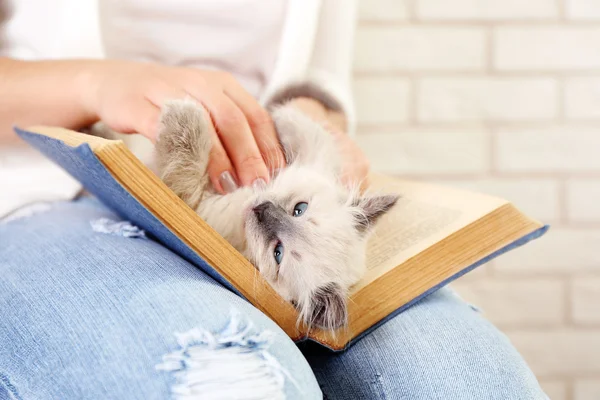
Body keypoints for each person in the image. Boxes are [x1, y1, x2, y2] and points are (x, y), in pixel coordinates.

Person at [0, 1, 549, 399]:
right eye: (298, 218)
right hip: (62, 185)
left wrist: (317, 121)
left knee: (469, 379)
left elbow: (317, 75)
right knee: (236, 377)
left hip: (258, 168)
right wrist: (92, 84)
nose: (269, 220)